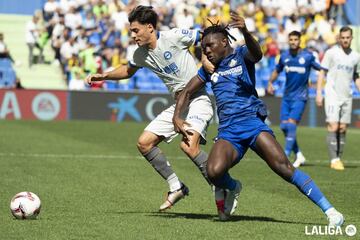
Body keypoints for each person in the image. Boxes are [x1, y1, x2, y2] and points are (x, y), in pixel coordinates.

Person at [173, 12, 344, 226]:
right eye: (204, 47)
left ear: (224, 42)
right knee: (214, 172)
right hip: (228, 132)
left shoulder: (242, 55)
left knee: (284, 167)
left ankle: (331, 212)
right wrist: (177, 117)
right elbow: (187, 91)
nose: (206, 50)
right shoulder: (209, 69)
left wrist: (245, 31)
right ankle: (234, 187)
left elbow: (258, 53)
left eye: (210, 45)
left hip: (253, 124)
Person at [86, 5, 214, 211]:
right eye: (131, 32)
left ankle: (221, 185)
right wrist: (104, 75)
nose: (133, 35)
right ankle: (176, 187)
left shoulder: (174, 36)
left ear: (150, 28)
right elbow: (127, 70)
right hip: (179, 104)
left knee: (189, 146)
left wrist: (206, 58)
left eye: (136, 30)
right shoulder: (140, 54)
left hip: (198, 99)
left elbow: (207, 37)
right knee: (144, 143)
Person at [267, 31, 324, 168]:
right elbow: (277, 70)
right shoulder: (284, 56)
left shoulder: (308, 56)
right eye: (291, 39)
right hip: (287, 97)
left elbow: (321, 70)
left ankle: (285, 156)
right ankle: (299, 155)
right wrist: (270, 83)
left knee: (291, 124)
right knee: (284, 126)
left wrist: (318, 91)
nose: (293, 42)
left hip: (301, 96)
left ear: (300, 41)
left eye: (295, 39)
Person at [316, 26, 360, 170]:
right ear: (339, 38)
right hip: (332, 94)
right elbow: (322, 73)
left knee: (342, 128)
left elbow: (356, 76)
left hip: (347, 95)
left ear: (351, 38)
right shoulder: (331, 53)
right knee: (333, 126)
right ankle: (334, 160)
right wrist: (318, 93)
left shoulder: (356, 56)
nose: (345, 40)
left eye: (348, 37)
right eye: (343, 37)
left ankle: (338, 158)